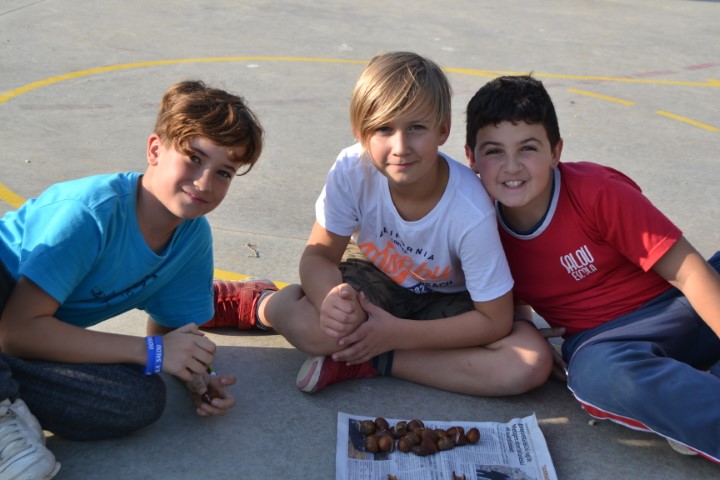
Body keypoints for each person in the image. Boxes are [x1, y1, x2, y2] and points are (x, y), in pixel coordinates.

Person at [207, 51, 553, 396]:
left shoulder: (470, 210)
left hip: (451, 298)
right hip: (376, 275)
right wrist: (332, 301)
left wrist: (394, 334)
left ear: (443, 129)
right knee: (321, 329)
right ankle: (260, 303)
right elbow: (319, 256)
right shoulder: (351, 170)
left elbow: (493, 319)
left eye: (416, 128)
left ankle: (371, 360)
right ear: (360, 133)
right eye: (384, 129)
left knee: (528, 364)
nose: (400, 147)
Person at [0, 80, 264, 479]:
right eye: (194, 158)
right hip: (13, 312)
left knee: (139, 399)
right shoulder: (90, 213)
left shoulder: (192, 238)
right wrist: (153, 351)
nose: (205, 182)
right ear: (155, 150)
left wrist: (196, 373)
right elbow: (16, 331)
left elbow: (173, 332)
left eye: (223, 172)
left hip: (25, 339)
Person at [464, 74, 720, 462]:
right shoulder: (476, 223)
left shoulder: (596, 191)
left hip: (684, 303)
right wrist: (525, 329)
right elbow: (505, 301)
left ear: (555, 151)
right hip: (610, 343)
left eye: (528, 148)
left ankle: (685, 404)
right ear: (472, 158)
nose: (511, 166)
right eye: (494, 151)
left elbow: (690, 273)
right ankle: (690, 401)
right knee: (596, 377)